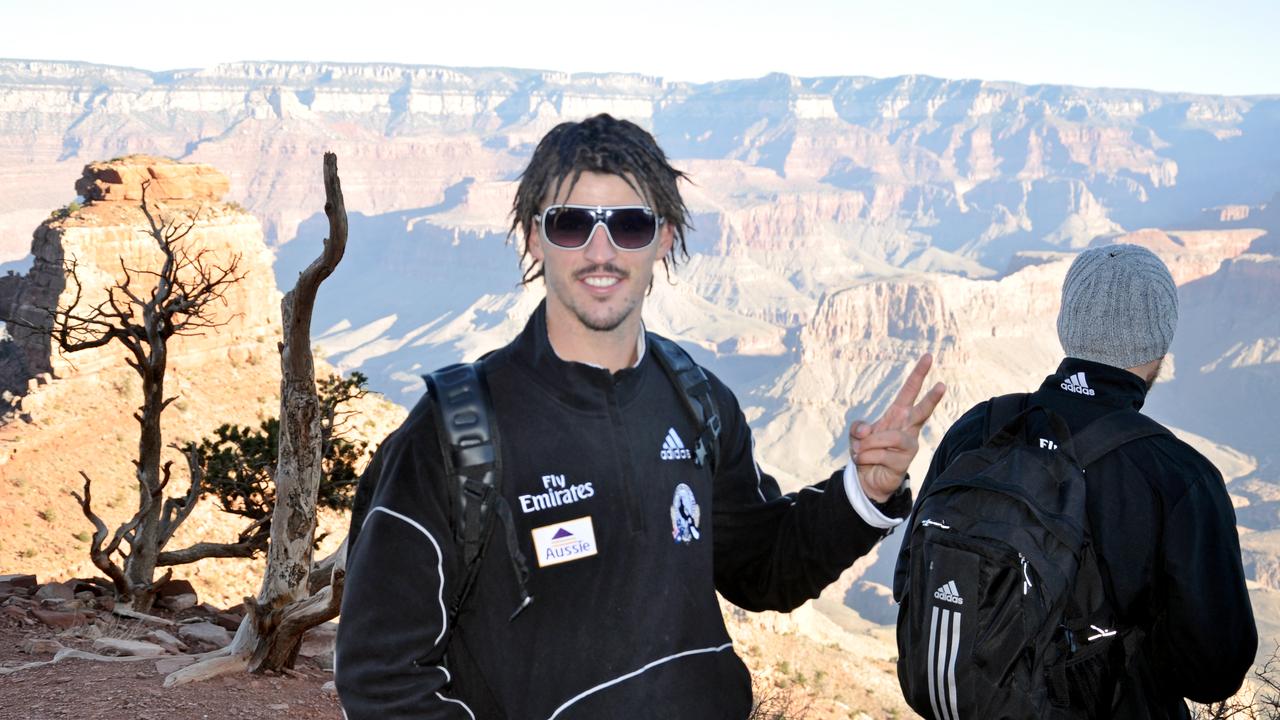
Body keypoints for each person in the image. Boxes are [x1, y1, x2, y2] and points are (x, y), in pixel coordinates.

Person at [334, 113, 946, 719]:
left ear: (666, 238)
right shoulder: (453, 434)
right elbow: (382, 675)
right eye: (571, 224)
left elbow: (763, 570)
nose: (601, 252)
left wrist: (863, 493)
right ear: (532, 237)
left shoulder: (699, 403)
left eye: (629, 224)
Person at [896, 243, 1256, 718]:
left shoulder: (979, 430)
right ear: (1161, 344)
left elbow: (909, 581)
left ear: (1066, 325)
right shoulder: (1178, 476)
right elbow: (1214, 670)